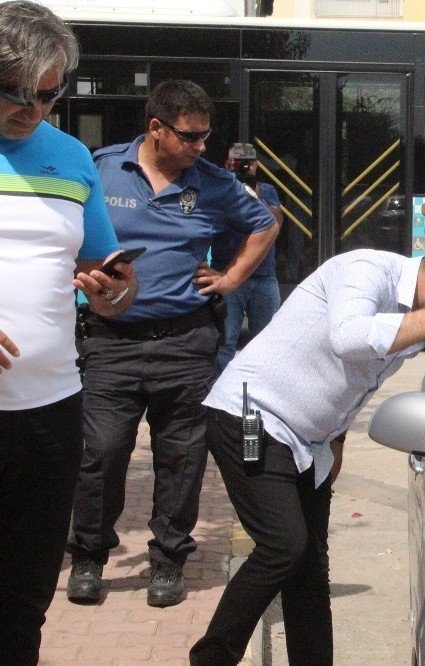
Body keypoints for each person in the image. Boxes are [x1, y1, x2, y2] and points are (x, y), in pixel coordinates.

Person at [188, 241, 425, 665]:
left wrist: (335, 439)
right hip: (249, 414)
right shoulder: (367, 269)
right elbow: (349, 339)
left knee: (310, 571)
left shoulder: (421, 309)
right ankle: (211, 657)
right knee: (284, 546)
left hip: (308, 441)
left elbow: (355, 379)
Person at [65, 80, 279, 608]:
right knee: (102, 453)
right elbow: (66, 230)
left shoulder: (212, 182)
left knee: (182, 458)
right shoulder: (102, 167)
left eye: (205, 136)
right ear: (155, 128)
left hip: (186, 342)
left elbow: (266, 224)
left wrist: (230, 279)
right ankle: (89, 555)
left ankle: (168, 561)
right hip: (111, 342)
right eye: (189, 136)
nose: (200, 147)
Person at [0, 2, 138, 661]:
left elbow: (104, 274)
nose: (33, 111)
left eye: (49, 95)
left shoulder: (73, 156)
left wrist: (115, 292)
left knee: (25, 602)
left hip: (52, 414)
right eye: (17, 93)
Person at [213, 143, 282, 374]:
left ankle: (260, 394)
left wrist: (254, 195)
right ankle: (221, 399)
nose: (244, 166)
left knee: (266, 343)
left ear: (256, 166)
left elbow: (274, 223)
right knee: (224, 343)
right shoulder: (221, 190)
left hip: (263, 278)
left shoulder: (267, 191)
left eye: (249, 162)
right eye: (238, 162)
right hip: (227, 274)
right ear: (227, 165)